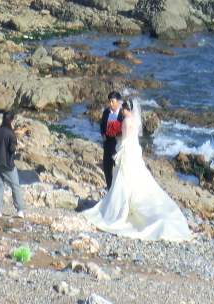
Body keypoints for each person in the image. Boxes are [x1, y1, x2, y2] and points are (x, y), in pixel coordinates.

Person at [82, 99, 192, 241]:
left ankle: (120, 208)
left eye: (123, 109)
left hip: (127, 149)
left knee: (123, 177)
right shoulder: (135, 120)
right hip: (135, 149)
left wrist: (114, 134)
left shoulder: (127, 120)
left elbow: (125, 137)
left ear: (128, 109)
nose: (121, 111)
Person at [0, 111, 29, 218]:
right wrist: (16, 144)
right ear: (12, 120)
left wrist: (17, 132)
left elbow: (6, 133)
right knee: (15, 186)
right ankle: (20, 210)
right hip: (6, 164)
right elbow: (11, 149)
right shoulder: (11, 134)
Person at [99, 91, 123, 188]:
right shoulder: (106, 112)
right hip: (107, 143)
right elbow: (102, 125)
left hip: (117, 145)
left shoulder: (122, 114)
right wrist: (103, 134)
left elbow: (125, 129)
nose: (110, 104)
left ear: (118, 101)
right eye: (109, 101)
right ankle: (109, 189)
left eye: (112, 101)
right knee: (106, 168)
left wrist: (118, 136)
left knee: (118, 169)